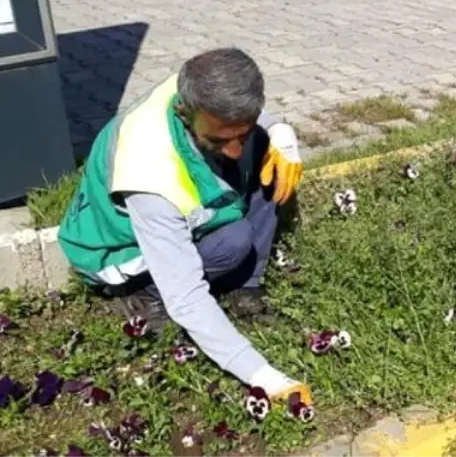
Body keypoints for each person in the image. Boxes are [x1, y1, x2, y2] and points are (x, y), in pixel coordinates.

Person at [57, 48, 311, 405]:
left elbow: (242, 119)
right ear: (184, 114)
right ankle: (146, 296)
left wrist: (278, 131)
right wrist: (264, 377)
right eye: (219, 141)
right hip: (116, 251)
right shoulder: (150, 175)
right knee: (233, 241)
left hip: (171, 207)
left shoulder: (195, 92)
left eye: (242, 132)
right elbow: (188, 296)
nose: (235, 150)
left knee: (272, 160)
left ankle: (244, 287)